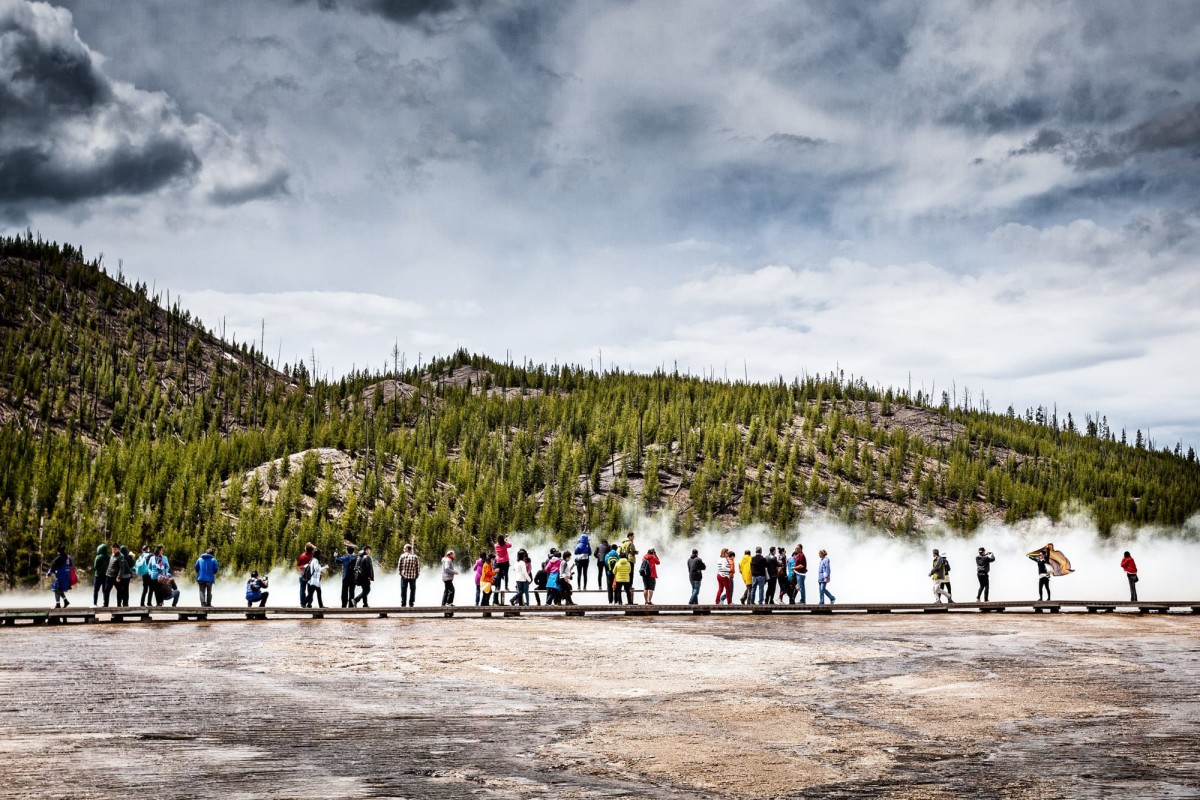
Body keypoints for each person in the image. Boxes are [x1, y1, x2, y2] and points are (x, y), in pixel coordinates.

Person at [397, 543, 420, 607]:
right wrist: (417, 575)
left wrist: (401, 574)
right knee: (412, 590)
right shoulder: (415, 556)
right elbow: (417, 567)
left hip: (404, 576)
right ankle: (411, 603)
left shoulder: (402, 556)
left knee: (403, 590)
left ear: (407, 549)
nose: (403, 549)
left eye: (404, 548)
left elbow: (399, 566)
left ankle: (403, 603)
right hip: (413, 577)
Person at [297, 542, 316, 607]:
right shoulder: (313, 556)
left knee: (302, 589)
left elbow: (299, 565)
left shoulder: (302, 556)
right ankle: (309, 603)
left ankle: (302, 603)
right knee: (310, 590)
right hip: (311, 575)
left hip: (303, 574)